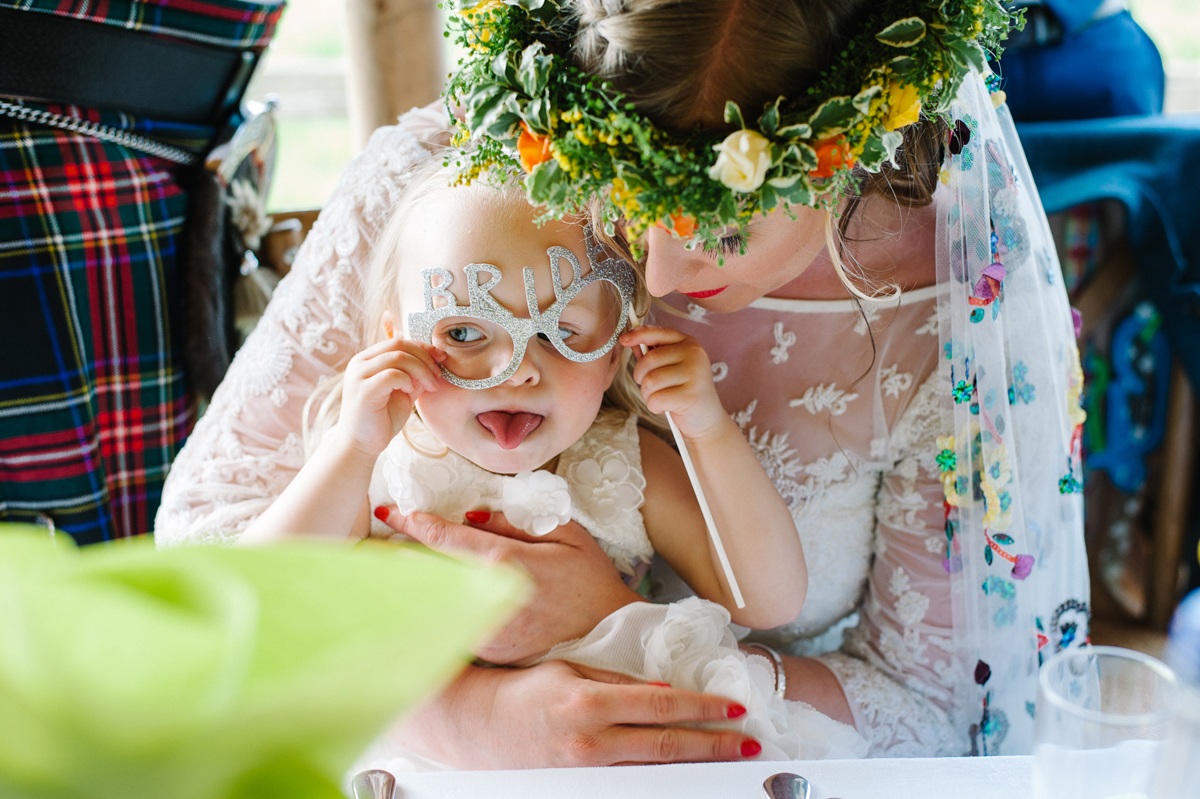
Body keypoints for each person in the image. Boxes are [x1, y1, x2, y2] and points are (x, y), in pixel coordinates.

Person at [157, 0, 1090, 762]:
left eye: (723, 227)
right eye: (620, 199)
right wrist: (460, 713)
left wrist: (621, 624)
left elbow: (957, 717)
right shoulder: (455, 189)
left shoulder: (969, 305)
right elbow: (207, 566)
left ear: (852, 145)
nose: (665, 278)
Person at [239, 159, 868, 765]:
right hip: (414, 766)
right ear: (393, 342)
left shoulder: (620, 461)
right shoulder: (376, 458)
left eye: (560, 330)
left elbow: (770, 600)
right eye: (462, 333)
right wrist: (351, 448)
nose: (513, 372)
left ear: (614, 351)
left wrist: (707, 429)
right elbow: (259, 603)